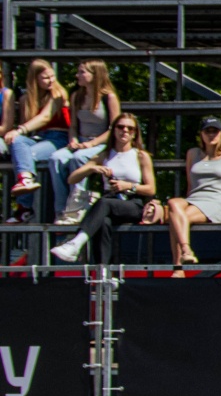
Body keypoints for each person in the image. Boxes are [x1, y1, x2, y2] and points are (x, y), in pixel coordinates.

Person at [51, 115, 158, 265]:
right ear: (114, 130)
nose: (125, 131)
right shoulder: (105, 155)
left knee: (103, 203)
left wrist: (128, 186)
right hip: (110, 201)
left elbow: (151, 189)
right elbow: (72, 179)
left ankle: (76, 243)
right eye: (120, 127)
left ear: (135, 133)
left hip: (132, 203)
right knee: (103, 222)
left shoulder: (140, 156)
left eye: (130, 128)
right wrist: (91, 169)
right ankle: (104, 271)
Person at [166, 117, 221, 273]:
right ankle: (186, 252)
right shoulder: (193, 153)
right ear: (201, 134)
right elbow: (190, 185)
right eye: (207, 131)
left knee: (177, 219)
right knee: (173, 204)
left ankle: (178, 268)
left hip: (216, 203)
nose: (211, 135)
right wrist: (184, 207)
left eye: (215, 131)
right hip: (193, 199)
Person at [50, 61, 122, 221]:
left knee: (79, 158)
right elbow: (73, 126)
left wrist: (91, 144)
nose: (77, 76)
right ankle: (60, 209)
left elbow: (114, 129)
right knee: (56, 158)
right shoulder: (77, 96)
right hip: (80, 142)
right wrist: (73, 140)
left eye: (82, 72)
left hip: (101, 144)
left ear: (95, 75)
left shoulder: (109, 97)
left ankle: (76, 207)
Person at [4, 59, 70, 220]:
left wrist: (19, 130)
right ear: (35, 80)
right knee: (18, 142)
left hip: (59, 137)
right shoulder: (26, 99)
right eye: (46, 78)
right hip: (39, 138)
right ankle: (25, 185)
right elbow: (26, 128)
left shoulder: (58, 94)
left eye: (52, 76)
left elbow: (44, 117)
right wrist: (18, 134)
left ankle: (23, 207)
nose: (51, 80)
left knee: (26, 155)